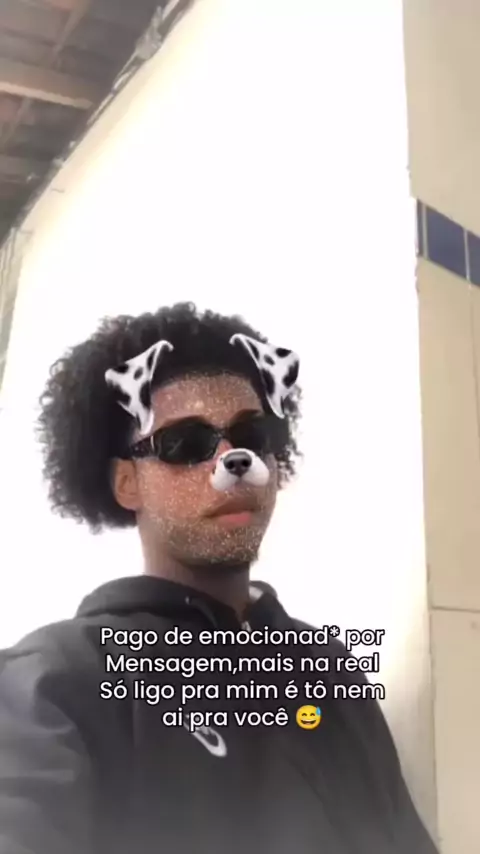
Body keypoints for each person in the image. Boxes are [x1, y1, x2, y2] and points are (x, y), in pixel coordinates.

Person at [0, 302, 437, 854]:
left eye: (251, 434)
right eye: (185, 444)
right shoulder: (52, 684)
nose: (232, 461)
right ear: (127, 483)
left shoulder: (328, 671)